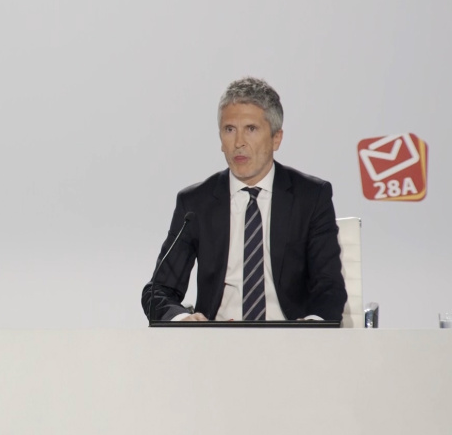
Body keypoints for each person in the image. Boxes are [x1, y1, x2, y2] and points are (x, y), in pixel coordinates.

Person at [141, 77, 346, 322]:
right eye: (229, 130)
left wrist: (312, 326)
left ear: (276, 138)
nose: (238, 143)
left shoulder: (310, 197)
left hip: (290, 337)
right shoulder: (196, 204)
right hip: (217, 338)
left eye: (251, 129)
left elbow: (329, 288)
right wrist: (183, 320)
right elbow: (158, 291)